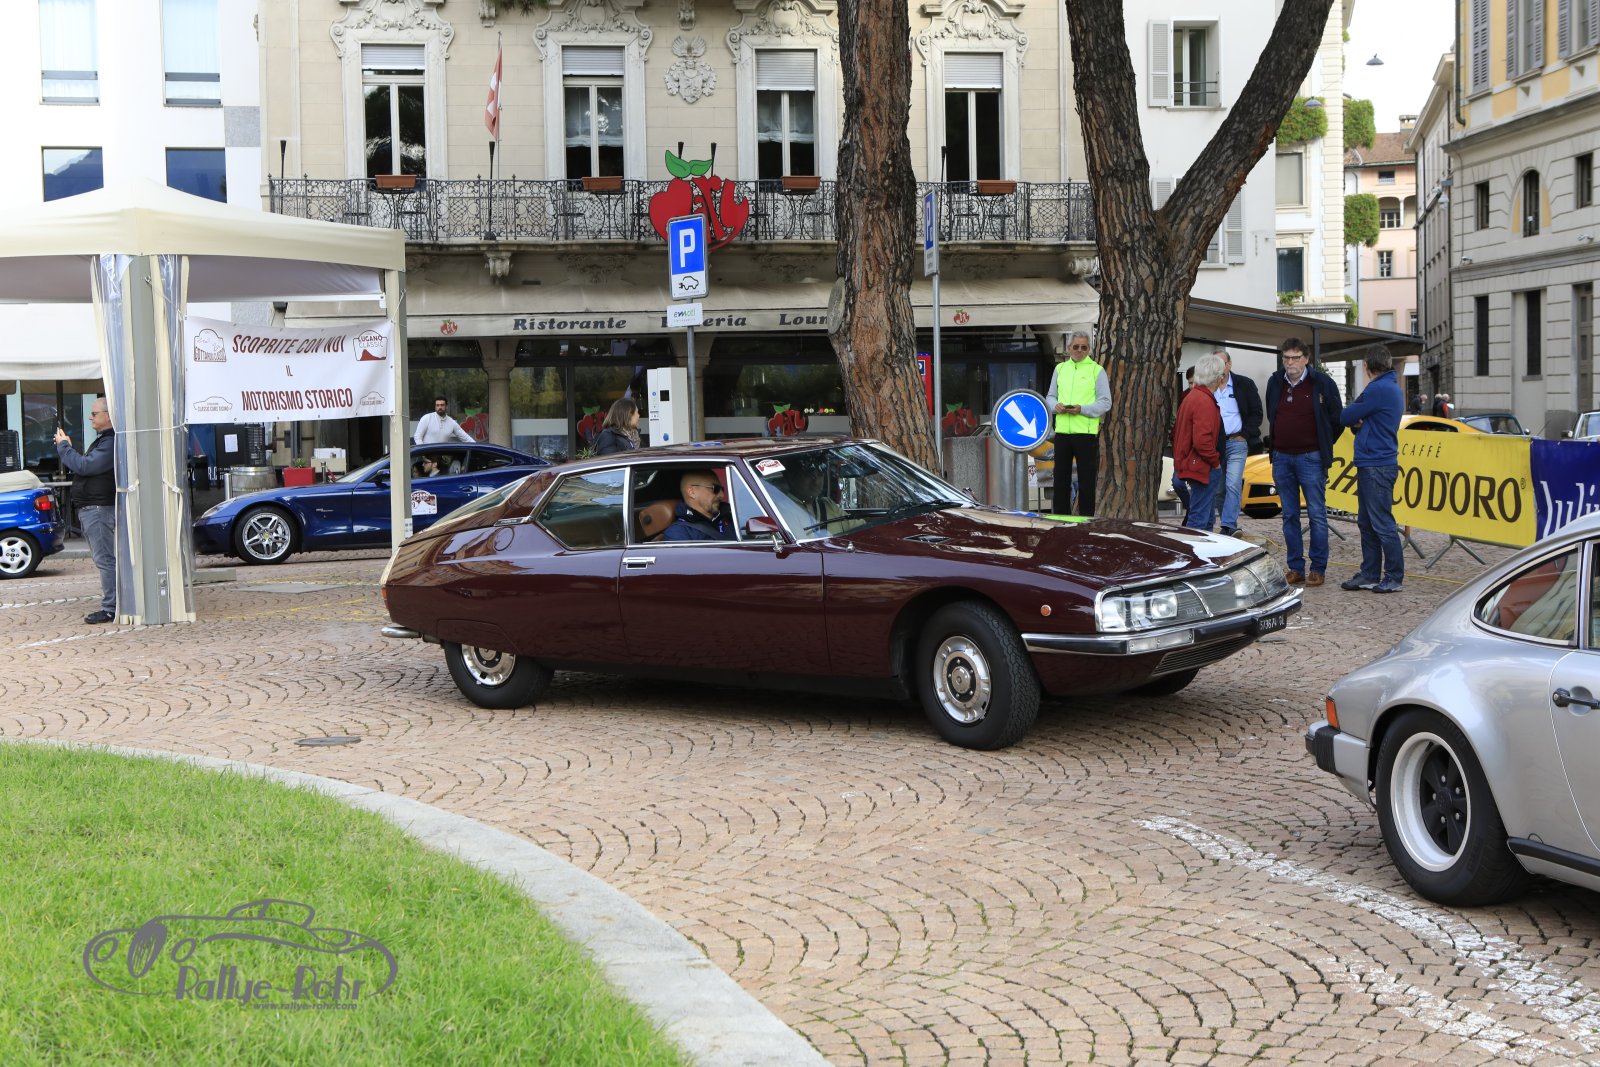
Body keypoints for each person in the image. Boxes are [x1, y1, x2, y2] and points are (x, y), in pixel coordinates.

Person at [1264, 337, 1345, 588]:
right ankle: (1295, 567)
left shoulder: (1322, 383)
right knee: (1289, 515)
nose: (1290, 362)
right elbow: (1272, 414)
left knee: (1316, 514)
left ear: (1306, 359)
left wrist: (1323, 444)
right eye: (1286, 358)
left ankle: (1318, 568)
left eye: (1295, 358)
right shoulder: (1275, 382)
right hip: (1282, 457)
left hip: (1311, 457)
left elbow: (1337, 420)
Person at [1339, 345, 1406, 593]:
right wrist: (1361, 420)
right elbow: (1356, 418)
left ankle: (1393, 576)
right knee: (1367, 523)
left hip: (1376, 462)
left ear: (1367, 366)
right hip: (1376, 461)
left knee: (1381, 523)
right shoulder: (1390, 387)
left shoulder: (1377, 389)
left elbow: (1346, 416)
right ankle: (1369, 573)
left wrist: (1359, 420)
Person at [54, 397, 117, 624]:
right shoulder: (104, 441)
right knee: (104, 558)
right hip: (94, 507)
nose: (90, 417)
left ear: (108, 416)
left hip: (98, 509)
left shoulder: (110, 442)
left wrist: (64, 447)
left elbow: (84, 465)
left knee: (105, 559)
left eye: (94, 413)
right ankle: (113, 604)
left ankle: (111, 608)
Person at [1046, 330, 1112, 516]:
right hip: (1062, 433)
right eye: (1076, 347)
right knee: (1060, 480)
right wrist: (1055, 406)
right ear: (1068, 348)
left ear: (1089, 349)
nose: (1079, 350)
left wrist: (1081, 409)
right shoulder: (1060, 369)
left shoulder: (1096, 370)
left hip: (1086, 434)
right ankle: (1061, 520)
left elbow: (1105, 402)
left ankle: (1086, 521)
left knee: (1086, 482)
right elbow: (1050, 397)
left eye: (1084, 347)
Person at [1208, 350, 1263, 537]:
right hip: (1215, 445)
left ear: (1229, 364)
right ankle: (1227, 526)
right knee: (1219, 488)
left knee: (1233, 483)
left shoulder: (1244, 384)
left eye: (1221, 363)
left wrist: (1245, 434)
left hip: (1236, 442)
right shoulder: (1208, 386)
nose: (1218, 367)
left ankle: (1229, 524)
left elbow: (1257, 413)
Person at [1173, 353, 1225, 531]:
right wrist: (1215, 462)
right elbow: (1202, 441)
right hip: (1202, 466)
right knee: (1199, 519)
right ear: (1217, 377)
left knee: (1204, 517)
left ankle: (1200, 547)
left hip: (1195, 463)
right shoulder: (1204, 400)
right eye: (1222, 375)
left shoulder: (1193, 396)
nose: (1222, 379)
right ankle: (1195, 549)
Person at [661, 469, 733, 541]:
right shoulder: (678, 532)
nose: (721, 495)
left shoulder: (730, 516)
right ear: (692, 492)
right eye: (715, 489)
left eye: (722, 489)